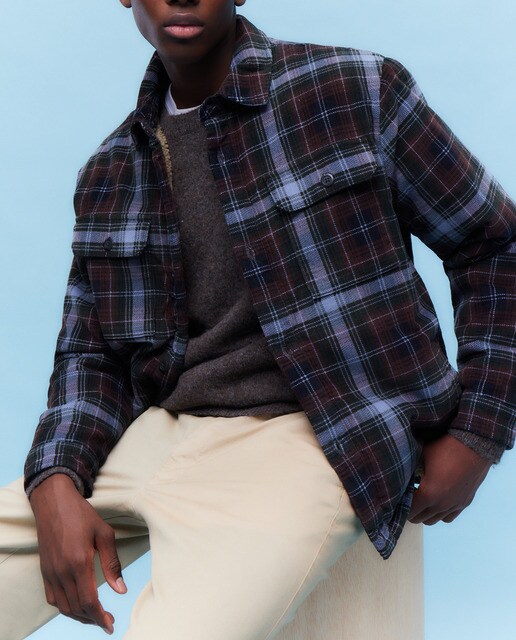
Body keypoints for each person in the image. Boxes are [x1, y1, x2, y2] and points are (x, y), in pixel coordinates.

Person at [1, 0, 514, 638]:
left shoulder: (354, 90)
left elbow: (494, 244)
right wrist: (54, 480)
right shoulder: (108, 173)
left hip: (309, 440)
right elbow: (90, 354)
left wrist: (479, 432)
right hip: (160, 432)